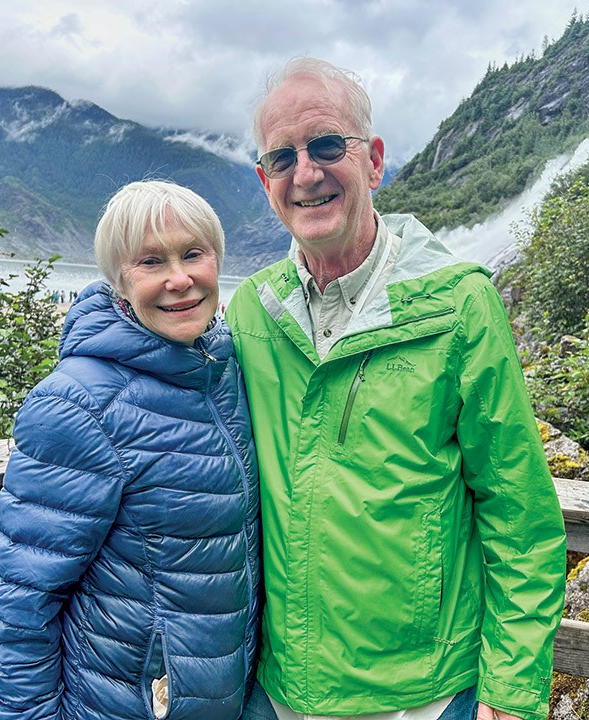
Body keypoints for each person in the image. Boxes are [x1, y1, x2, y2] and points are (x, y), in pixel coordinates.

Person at [227, 58, 566, 720]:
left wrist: (513, 689)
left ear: (374, 161)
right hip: (275, 692)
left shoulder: (460, 307)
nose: (306, 173)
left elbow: (519, 517)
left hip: (424, 699)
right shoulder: (249, 314)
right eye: (282, 157)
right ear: (265, 180)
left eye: (327, 145)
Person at [0, 180, 261, 720]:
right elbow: (19, 606)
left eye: (193, 254)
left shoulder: (226, 375)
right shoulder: (80, 404)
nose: (180, 278)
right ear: (119, 282)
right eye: (152, 261)